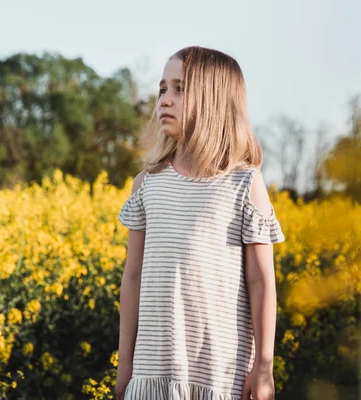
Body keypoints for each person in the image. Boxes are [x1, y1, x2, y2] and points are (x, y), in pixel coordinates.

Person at [115, 46, 285, 400]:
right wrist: (125, 368)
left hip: (220, 377)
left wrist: (264, 367)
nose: (164, 100)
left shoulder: (244, 184)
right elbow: (132, 278)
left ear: (215, 99)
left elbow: (261, 281)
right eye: (162, 89)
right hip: (152, 375)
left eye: (179, 88)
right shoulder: (147, 183)